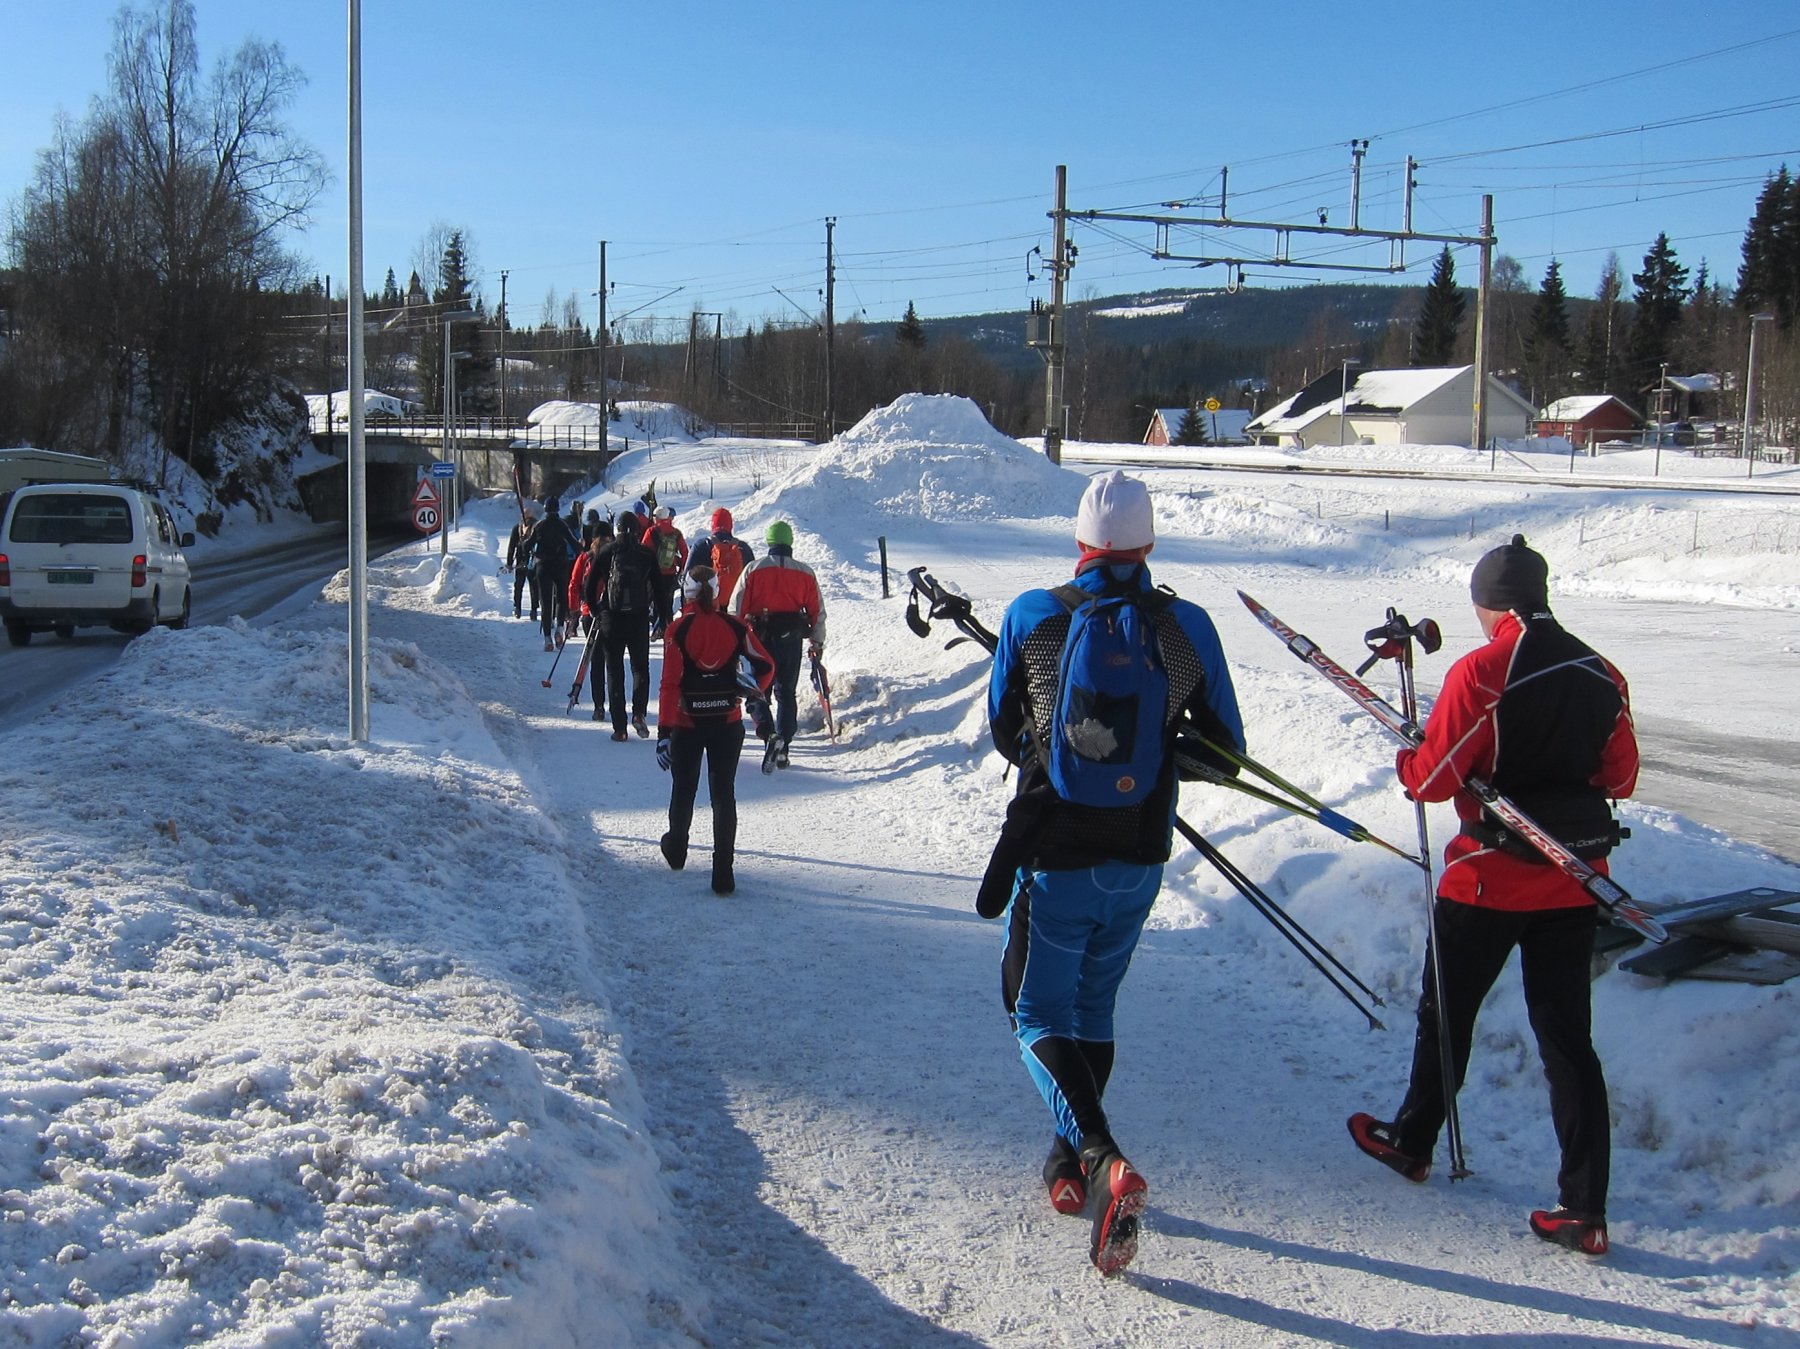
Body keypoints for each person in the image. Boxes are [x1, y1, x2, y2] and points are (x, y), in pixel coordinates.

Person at [1348, 534, 1638, 1258]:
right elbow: (1621, 775)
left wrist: (1409, 756)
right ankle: (1585, 1207)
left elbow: (1432, 777)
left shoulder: (1484, 669)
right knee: (1569, 1039)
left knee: (1446, 1013)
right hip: (1572, 878)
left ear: (1490, 603)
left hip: (1487, 876)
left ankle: (1413, 1141)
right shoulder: (1603, 671)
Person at [986, 470, 1244, 1277]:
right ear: (1148, 546)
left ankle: (1101, 1157)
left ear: (1081, 544)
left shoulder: (1034, 616)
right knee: (1091, 1006)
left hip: (1057, 853)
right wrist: (1155, 751)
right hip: (1139, 857)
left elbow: (1004, 731)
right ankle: (1068, 1166)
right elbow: (1227, 751)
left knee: (1032, 1010)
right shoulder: (1185, 627)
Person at [655, 564, 775, 896]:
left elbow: (669, 685)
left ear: (687, 592)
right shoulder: (736, 627)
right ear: (718, 591)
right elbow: (767, 666)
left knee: (684, 789)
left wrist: (664, 732)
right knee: (724, 795)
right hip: (727, 721)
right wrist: (749, 691)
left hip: (686, 722)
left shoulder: (677, 630)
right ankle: (723, 873)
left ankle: (677, 848)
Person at [733, 520, 825, 769]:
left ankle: (768, 734)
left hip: (759, 642)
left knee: (757, 690)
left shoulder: (753, 569)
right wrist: (817, 641)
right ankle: (784, 744)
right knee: (786, 693)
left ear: (769, 542)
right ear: (790, 542)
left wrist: (733, 641)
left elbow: (737, 607)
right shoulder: (805, 573)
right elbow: (817, 611)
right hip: (792, 641)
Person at [585, 510, 657, 742]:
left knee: (614, 670)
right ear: (637, 530)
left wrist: (597, 610)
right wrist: (664, 618)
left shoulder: (607, 551)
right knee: (640, 668)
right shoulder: (646, 554)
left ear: (616, 529)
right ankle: (639, 713)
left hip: (612, 618)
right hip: (638, 618)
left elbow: (589, 584)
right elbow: (660, 590)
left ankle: (620, 728)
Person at [527, 496, 580, 651]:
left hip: (543, 565)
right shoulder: (562, 525)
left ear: (545, 509)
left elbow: (527, 546)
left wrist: (524, 542)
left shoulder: (539, 526)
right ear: (557, 509)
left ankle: (547, 638)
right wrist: (580, 546)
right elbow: (574, 544)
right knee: (561, 598)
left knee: (545, 601)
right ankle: (560, 628)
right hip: (560, 565)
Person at [688, 507, 755, 610]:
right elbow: (752, 581)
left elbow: (687, 578)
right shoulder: (744, 548)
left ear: (712, 525)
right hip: (735, 608)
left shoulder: (701, 546)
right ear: (730, 526)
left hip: (706, 609)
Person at [645, 504, 689, 639]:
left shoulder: (651, 532)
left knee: (652, 601)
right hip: (670, 574)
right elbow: (685, 553)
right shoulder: (676, 533)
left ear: (657, 517)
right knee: (667, 603)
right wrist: (681, 569)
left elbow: (643, 550)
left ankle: (658, 628)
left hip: (653, 573)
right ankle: (669, 629)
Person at [505, 503, 539, 621]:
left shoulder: (519, 527)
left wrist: (509, 563)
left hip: (524, 560)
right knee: (532, 586)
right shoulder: (535, 526)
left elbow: (511, 547)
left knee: (520, 585)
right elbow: (511, 546)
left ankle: (520, 608)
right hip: (532, 561)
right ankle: (531, 609)